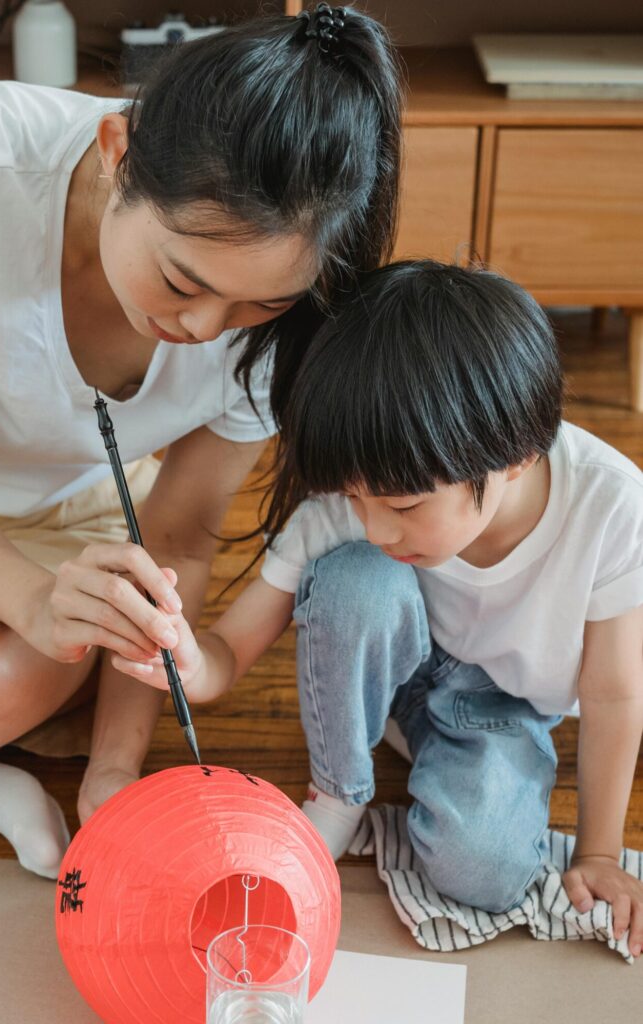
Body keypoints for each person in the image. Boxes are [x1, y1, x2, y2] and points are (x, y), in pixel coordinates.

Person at [0, 8, 403, 875]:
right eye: (184, 279)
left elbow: (175, 536)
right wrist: (29, 605)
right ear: (116, 150)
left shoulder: (286, 328)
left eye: (258, 304)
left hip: (71, 515)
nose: (204, 327)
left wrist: (112, 770)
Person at [112, 260, 643, 954]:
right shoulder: (362, 495)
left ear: (513, 457)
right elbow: (228, 653)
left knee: (484, 872)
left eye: (400, 506)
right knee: (357, 578)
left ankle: (433, 786)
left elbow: (611, 696)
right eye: (355, 498)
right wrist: (178, 654)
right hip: (395, 674)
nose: (373, 526)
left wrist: (599, 852)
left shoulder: (611, 506)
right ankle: (339, 795)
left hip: (504, 707)